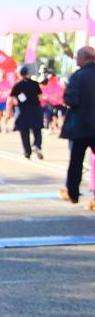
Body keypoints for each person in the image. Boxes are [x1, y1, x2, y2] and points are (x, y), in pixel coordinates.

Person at [60, 45, 95, 205]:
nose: (75, 60)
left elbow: (71, 100)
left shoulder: (77, 76)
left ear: (83, 58)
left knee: (76, 161)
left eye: (77, 58)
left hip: (80, 126)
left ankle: (73, 193)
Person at [9, 66, 43, 159]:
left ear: (19, 73)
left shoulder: (17, 85)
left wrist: (9, 111)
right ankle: (37, 145)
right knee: (37, 129)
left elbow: (11, 99)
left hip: (23, 111)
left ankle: (27, 152)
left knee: (24, 131)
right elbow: (40, 97)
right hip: (35, 110)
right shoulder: (35, 83)